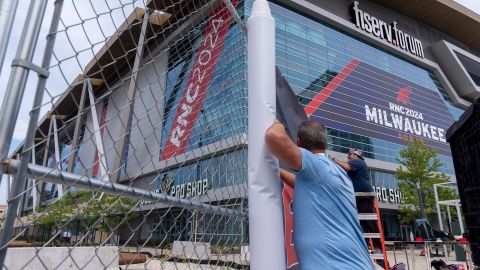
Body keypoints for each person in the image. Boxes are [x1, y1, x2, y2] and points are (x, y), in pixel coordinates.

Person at [265, 120, 374, 270]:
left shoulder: (316, 165)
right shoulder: (332, 171)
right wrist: (278, 172)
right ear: (325, 144)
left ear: (298, 142)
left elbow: (274, 136)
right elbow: (302, 183)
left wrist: (280, 124)